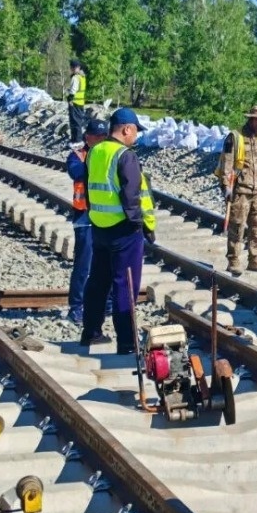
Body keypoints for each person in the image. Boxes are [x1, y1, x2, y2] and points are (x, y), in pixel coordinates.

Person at [81, 108, 156, 355]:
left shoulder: (94, 152)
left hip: (99, 227)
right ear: (126, 129)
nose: (135, 137)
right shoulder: (125, 156)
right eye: (135, 131)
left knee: (98, 282)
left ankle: (91, 332)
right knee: (125, 285)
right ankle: (126, 342)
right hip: (124, 231)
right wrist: (140, 225)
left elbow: (89, 190)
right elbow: (131, 195)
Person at [215, 105, 257, 276]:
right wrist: (226, 186)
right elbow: (227, 162)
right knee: (237, 225)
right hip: (240, 190)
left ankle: (255, 260)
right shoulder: (235, 137)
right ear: (251, 118)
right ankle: (233, 260)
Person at [66, 120, 109, 325]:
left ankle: (106, 303)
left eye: (104, 137)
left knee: (107, 263)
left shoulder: (109, 155)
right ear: (87, 137)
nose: (101, 140)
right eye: (97, 137)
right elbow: (77, 173)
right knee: (84, 264)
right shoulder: (77, 156)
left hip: (106, 217)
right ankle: (77, 306)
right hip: (85, 217)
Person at [66, 59, 87, 146]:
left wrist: (69, 97)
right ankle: (76, 140)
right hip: (81, 102)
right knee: (78, 121)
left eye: (73, 67)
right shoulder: (82, 77)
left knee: (75, 122)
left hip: (74, 103)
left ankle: (77, 140)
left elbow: (73, 90)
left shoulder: (75, 78)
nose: (73, 69)